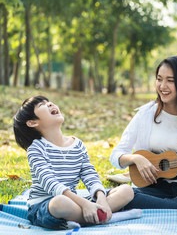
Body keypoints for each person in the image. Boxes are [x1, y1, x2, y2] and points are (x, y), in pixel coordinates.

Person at [13, 96, 134, 230]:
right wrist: (85, 204)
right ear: (32, 122)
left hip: (74, 203)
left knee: (127, 191)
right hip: (46, 206)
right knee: (59, 203)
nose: (50, 104)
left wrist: (101, 198)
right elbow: (51, 184)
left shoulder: (77, 144)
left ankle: (91, 214)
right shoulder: (36, 149)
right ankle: (98, 216)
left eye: (49, 102)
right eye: (42, 104)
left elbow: (89, 175)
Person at [110, 56, 177, 209]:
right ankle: (176, 207)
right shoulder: (145, 114)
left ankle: (164, 206)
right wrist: (136, 158)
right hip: (153, 187)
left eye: (170, 81)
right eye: (159, 79)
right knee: (129, 194)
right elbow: (116, 155)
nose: (162, 86)